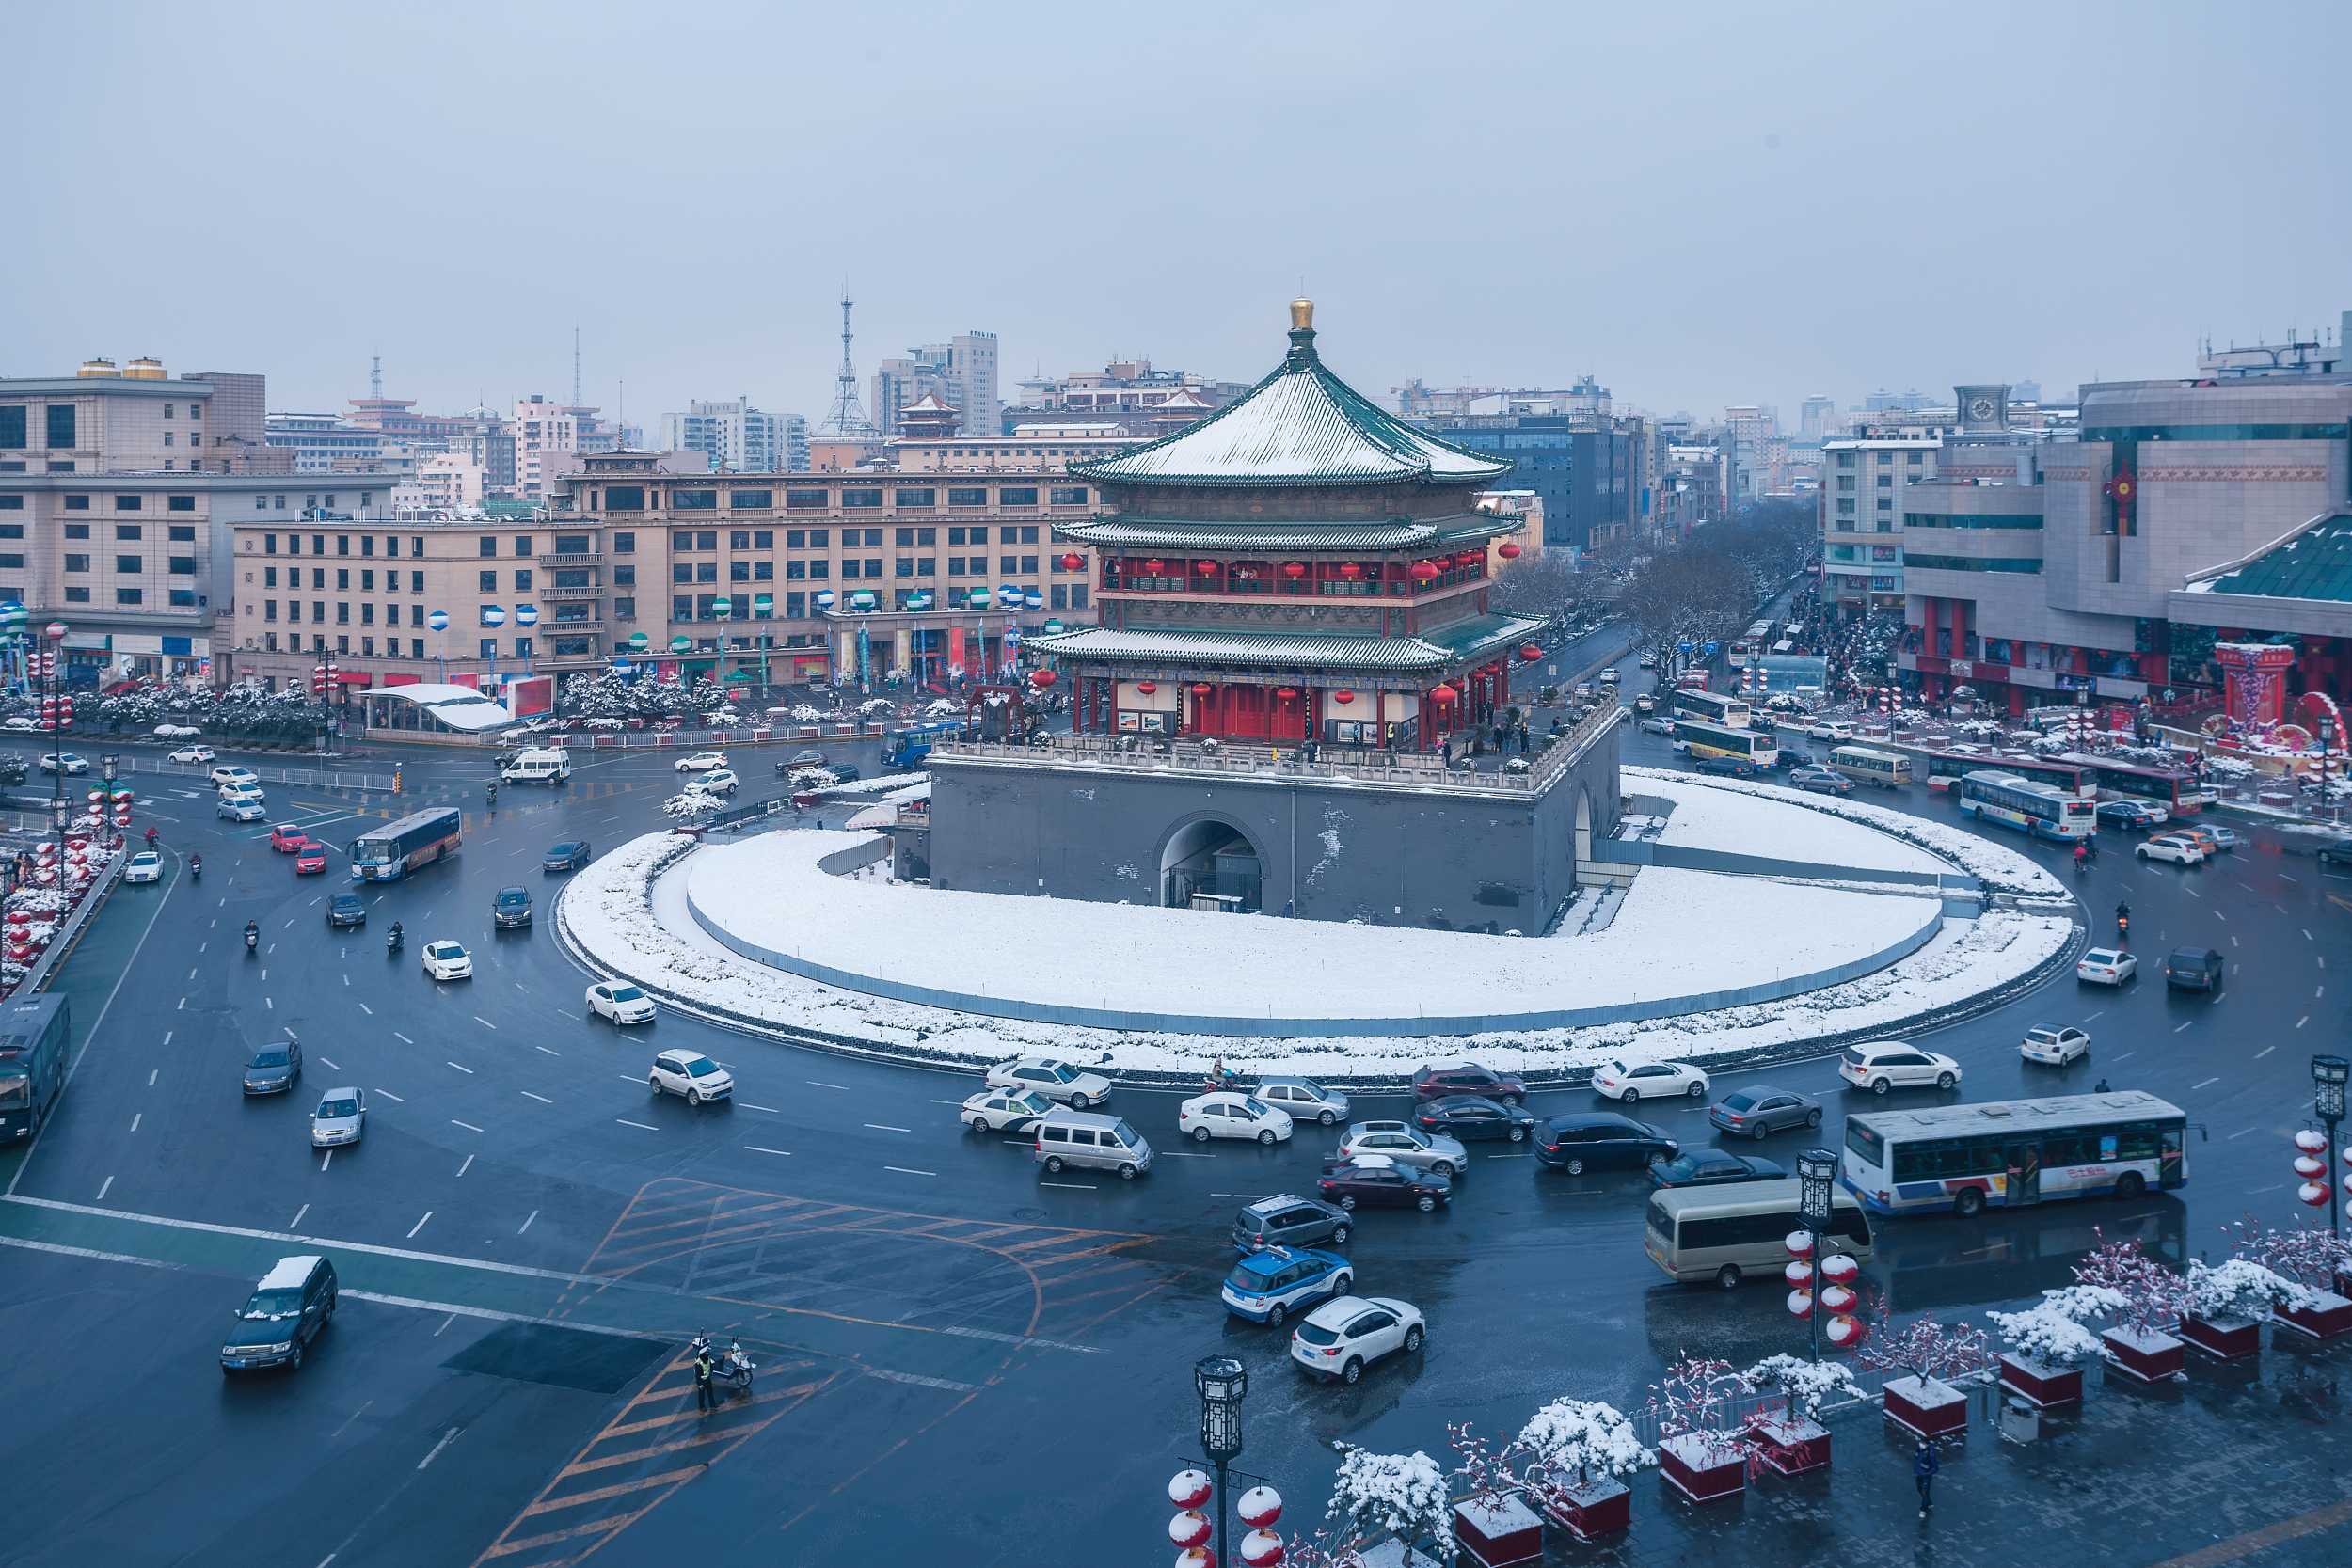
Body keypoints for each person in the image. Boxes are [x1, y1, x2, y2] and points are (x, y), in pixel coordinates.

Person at [1913, 1436, 1939, 1515]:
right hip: (1919, 1472)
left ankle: (1923, 1510)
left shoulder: (1930, 1454)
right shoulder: (1919, 1449)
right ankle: (1929, 1502)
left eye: (1923, 1444)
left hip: (1926, 1475)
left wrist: (1928, 1473)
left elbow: (1935, 1468)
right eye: (1921, 1443)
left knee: (1924, 1492)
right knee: (1919, 1489)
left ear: (1927, 1444)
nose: (1921, 1444)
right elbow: (1916, 1457)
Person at [693, 1342, 717, 1413]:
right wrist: (699, 1384)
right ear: (703, 1353)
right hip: (702, 1381)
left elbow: (710, 1364)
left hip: (708, 1378)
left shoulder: (708, 1358)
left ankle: (712, 1405)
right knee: (701, 1395)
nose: (708, 1352)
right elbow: (697, 1375)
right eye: (706, 1352)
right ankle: (702, 1407)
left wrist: (711, 1370)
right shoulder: (698, 1363)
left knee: (710, 1392)